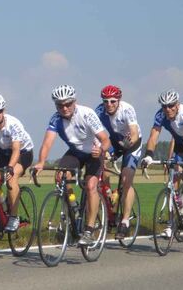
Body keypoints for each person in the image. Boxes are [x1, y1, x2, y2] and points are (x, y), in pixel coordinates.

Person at [33, 84, 111, 246]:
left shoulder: (87, 114)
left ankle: (89, 230)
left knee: (91, 186)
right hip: (75, 152)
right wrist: (41, 162)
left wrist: (101, 150)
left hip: (93, 153)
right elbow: (47, 143)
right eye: (60, 105)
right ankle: (73, 206)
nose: (64, 108)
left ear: (74, 101)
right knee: (61, 175)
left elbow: (105, 139)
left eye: (68, 103)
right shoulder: (56, 119)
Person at [141, 89, 183, 238]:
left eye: (171, 106)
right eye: (164, 106)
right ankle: (171, 224)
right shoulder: (160, 115)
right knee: (173, 182)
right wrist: (149, 155)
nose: (168, 109)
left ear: (177, 104)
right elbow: (153, 136)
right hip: (180, 145)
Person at [0, 91, 34, 232]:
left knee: (11, 178)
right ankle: (3, 211)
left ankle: (14, 217)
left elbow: (16, 149)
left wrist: (10, 167)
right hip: (4, 153)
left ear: (3, 110)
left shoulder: (13, 124)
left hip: (23, 153)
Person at [94, 85, 141, 240]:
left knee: (127, 179)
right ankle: (108, 196)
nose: (109, 104)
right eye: (106, 101)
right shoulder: (99, 111)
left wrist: (128, 144)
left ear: (119, 100)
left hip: (131, 144)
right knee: (101, 164)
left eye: (113, 101)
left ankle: (125, 222)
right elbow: (95, 133)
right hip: (115, 141)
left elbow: (133, 133)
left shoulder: (127, 109)